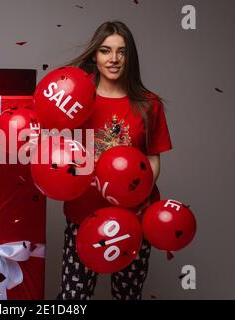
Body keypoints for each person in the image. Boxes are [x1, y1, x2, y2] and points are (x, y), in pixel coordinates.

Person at [57, 20, 173, 300]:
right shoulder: (76, 100)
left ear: (130, 57)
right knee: (74, 296)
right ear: (95, 56)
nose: (114, 59)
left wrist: (131, 192)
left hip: (135, 217)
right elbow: (61, 152)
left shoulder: (149, 103)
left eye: (121, 52)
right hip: (84, 213)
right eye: (106, 51)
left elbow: (153, 160)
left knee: (128, 295)